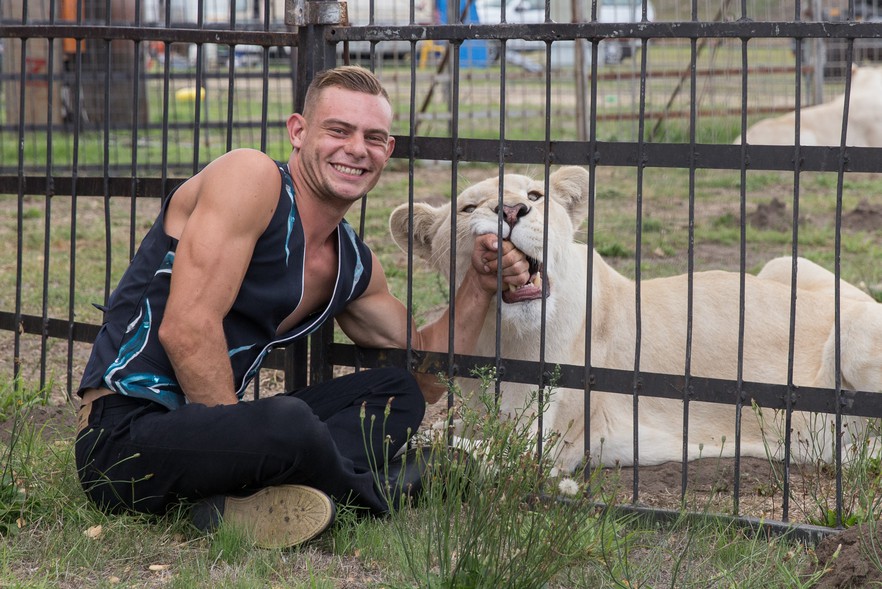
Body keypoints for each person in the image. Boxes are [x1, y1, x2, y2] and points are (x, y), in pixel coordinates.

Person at [74, 65, 529, 549]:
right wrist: (241, 447)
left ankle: (229, 506)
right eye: (339, 130)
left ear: (387, 151)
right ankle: (386, 490)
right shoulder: (250, 178)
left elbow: (426, 376)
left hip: (212, 435)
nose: (357, 149)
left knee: (397, 391)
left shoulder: (352, 264)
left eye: (374, 138)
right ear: (298, 131)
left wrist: (480, 283)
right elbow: (185, 329)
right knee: (288, 422)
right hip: (122, 438)